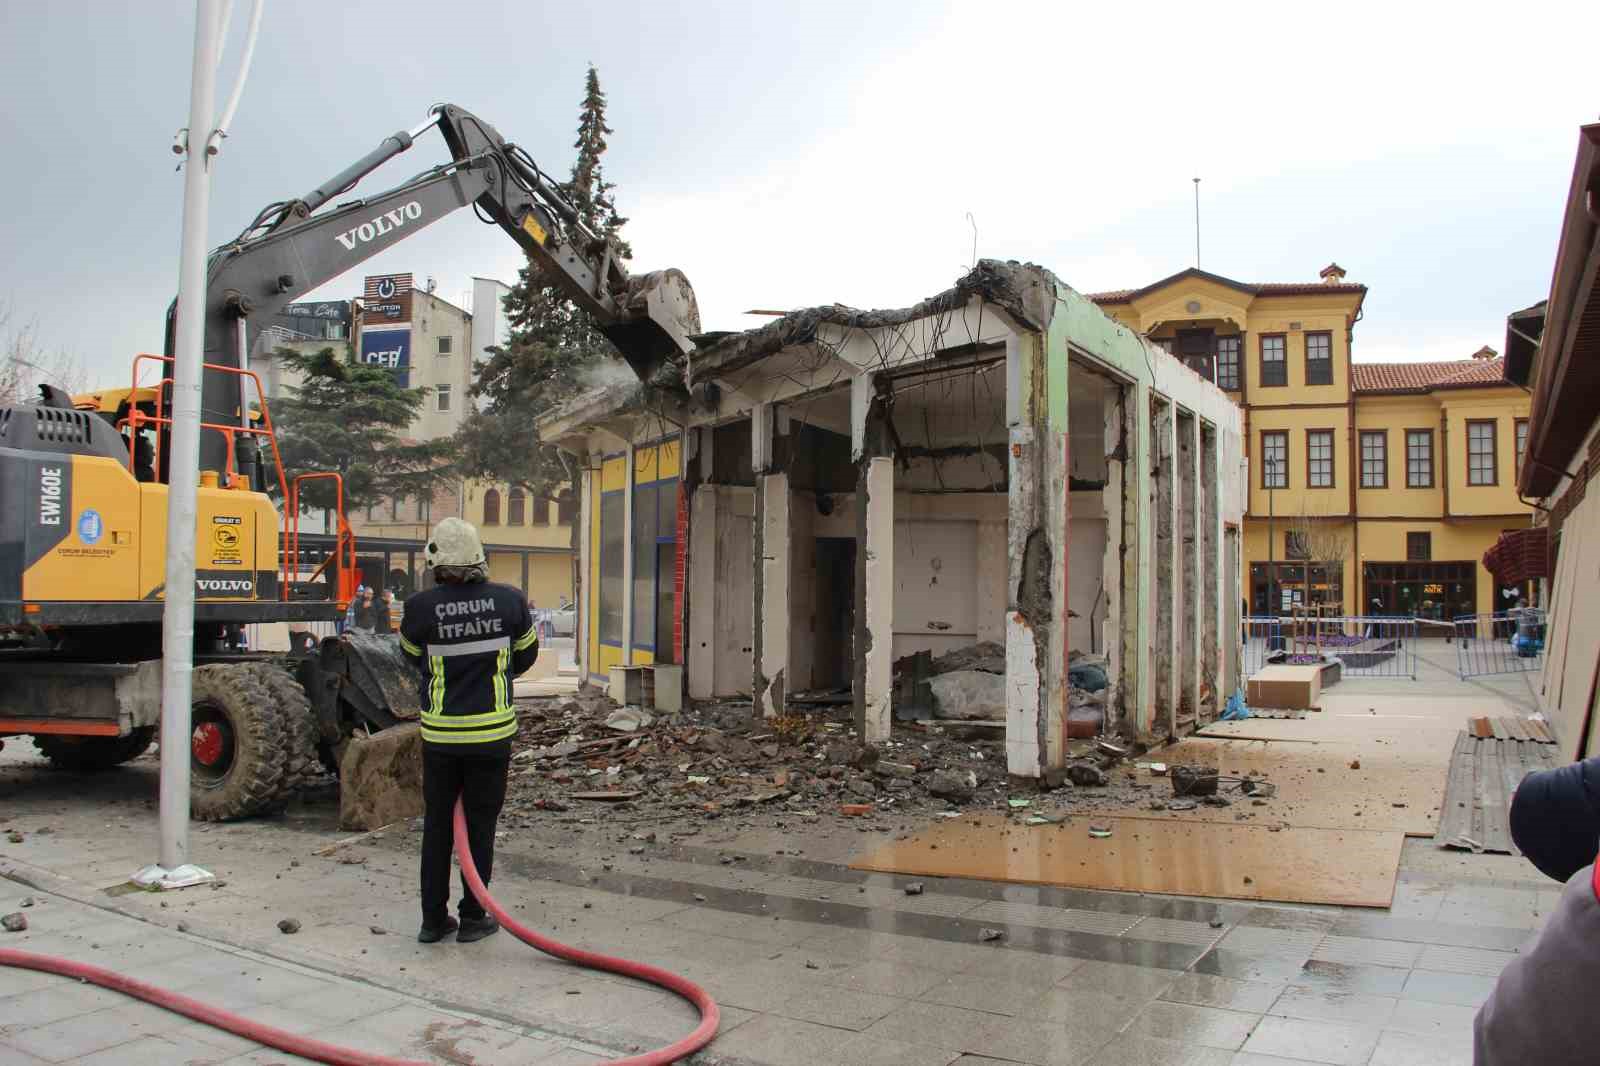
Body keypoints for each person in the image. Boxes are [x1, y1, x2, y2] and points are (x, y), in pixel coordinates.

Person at [399, 518, 538, 944]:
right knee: (479, 826)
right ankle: (474, 917)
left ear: (436, 562)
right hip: (491, 736)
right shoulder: (510, 602)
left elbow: (411, 656)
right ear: (480, 557)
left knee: (438, 826)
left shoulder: (419, 608)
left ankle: (432, 920)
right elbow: (526, 656)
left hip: (441, 737)